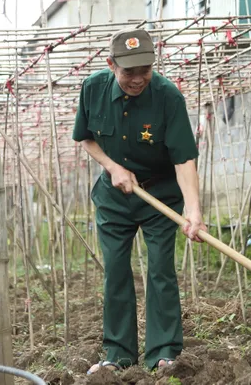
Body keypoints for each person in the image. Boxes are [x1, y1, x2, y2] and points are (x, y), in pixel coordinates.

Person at [72, 27, 206, 374]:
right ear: (111, 64)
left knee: (161, 270)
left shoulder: (167, 97)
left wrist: (193, 211)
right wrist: (113, 167)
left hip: (159, 195)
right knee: (116, 270)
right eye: (128, 71)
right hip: (114, 198)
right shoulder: (93, 89)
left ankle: (164, 354)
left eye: (144, 70)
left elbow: (184, 159)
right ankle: (117, 355)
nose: (137, 79)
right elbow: (85, 138)